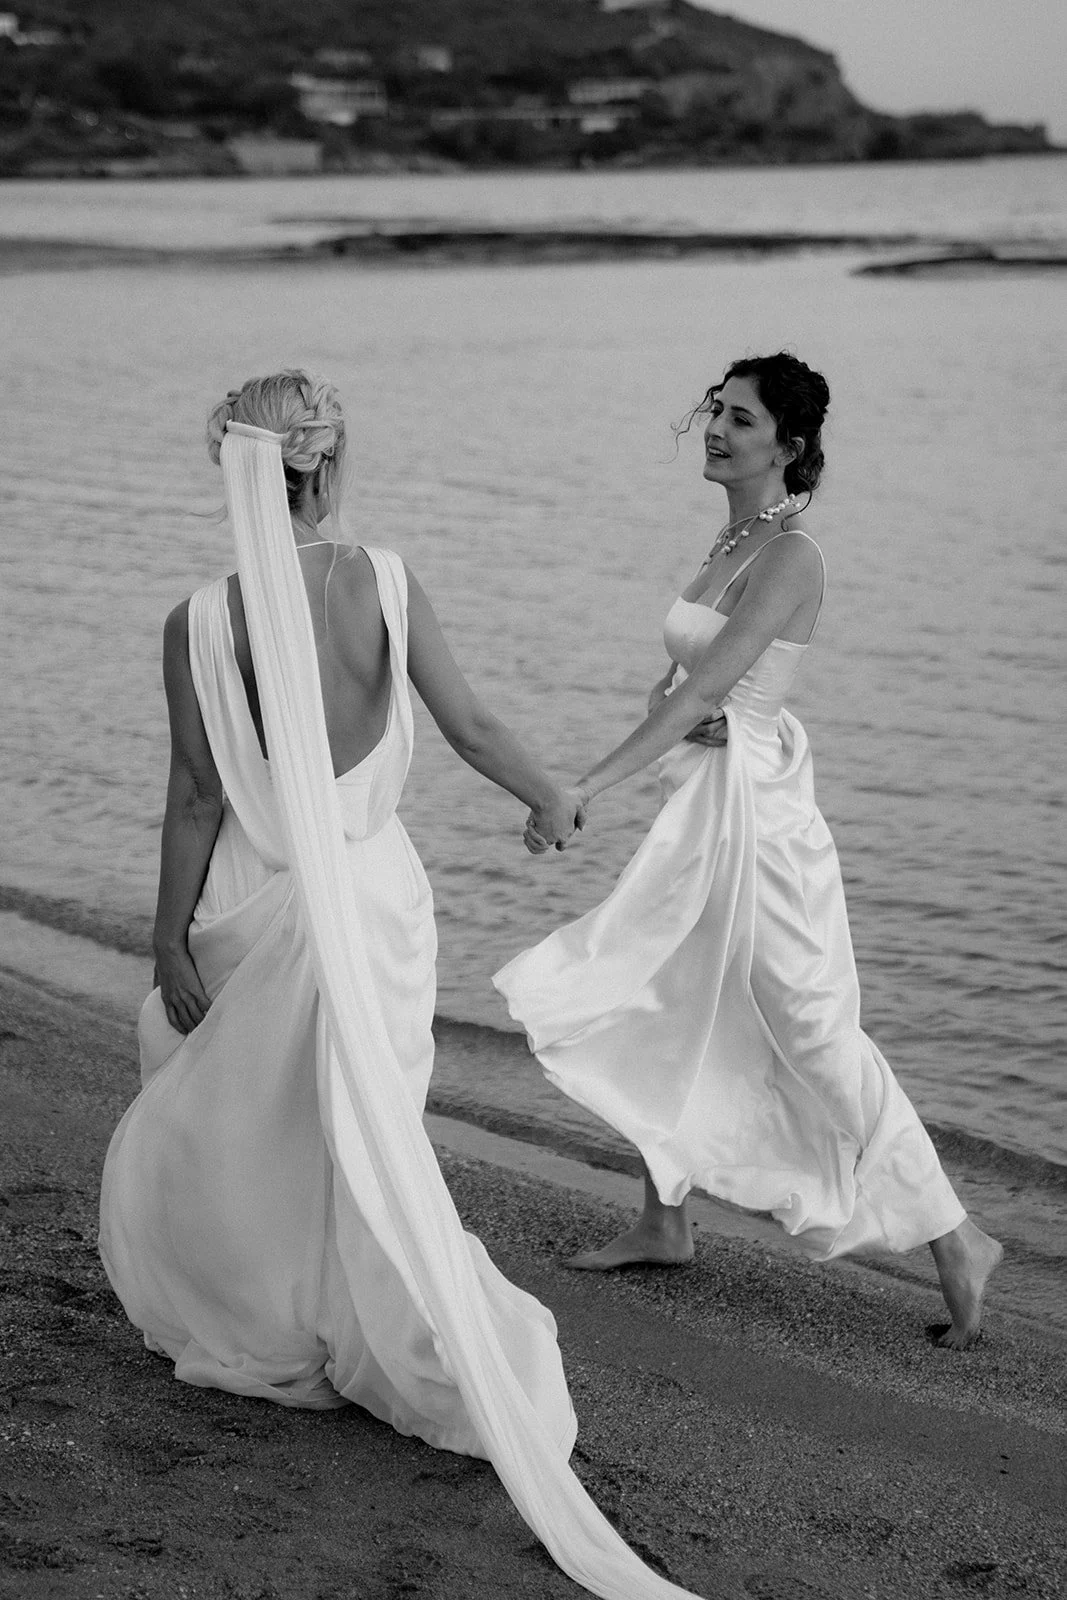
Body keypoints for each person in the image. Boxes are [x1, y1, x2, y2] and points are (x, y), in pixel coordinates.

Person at [99, 371, 704, 1600]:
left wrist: (166, 943)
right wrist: (550, 795)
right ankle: (373, 1322)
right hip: (366, 903)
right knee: (365, 1129)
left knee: (253, 1123)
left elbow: (196, 799)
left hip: (244, 903)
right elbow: (471, 722)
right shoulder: (382, 580)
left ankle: (272, 1319)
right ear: (325, 469)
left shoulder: (195, 622)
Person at [495, 352, 1002, 1352]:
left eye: (739, 418)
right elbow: (682, 687)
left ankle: (956, 1236)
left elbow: (704, 694)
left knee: (809, 1029)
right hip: (707, 801)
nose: (716, 430)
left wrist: (581, 788)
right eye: (714, 412)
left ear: (790, 444)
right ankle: (661, 1219)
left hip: (762, 823)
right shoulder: (728, 541)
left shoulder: (789, 557)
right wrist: (685, 723)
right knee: (666, 987)